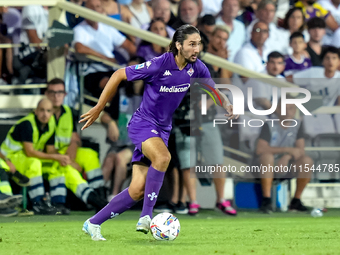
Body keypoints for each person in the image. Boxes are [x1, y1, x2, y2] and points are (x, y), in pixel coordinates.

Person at [80, 24, 238, 241]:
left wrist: (226, 103)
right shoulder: (159, 64)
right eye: (192, 44)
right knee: (163, 157)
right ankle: (146, 216)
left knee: (136, 190)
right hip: (142, 123)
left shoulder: (197, 68)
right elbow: (118, 74)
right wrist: (99, 108)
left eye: (198, 44)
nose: (196, 49)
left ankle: (93, 223)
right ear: (178, 45)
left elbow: (212, 89)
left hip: (162, 129)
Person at [44, 78, 108, 211]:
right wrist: (69, 161)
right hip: (49, 157)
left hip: (65, 153)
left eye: (60, 92)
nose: (56, 96)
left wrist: (71, 158)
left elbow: (75, 139)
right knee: (68, 169)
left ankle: (101, 195)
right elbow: (46, 149)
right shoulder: (43, 113)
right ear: (46, 94)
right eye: (53, 92)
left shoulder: (67, 112)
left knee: (90, 154)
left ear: (65, 94)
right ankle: (95, 201)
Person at [0, 99, 70, 215]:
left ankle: (59, 204)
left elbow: (50, 150)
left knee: (55, 166)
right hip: (9, 157)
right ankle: (38, 204)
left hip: (24, 157)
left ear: (52, 112)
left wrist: (61, 158)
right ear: (35, 111)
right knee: (35, 163)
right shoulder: (27, 124)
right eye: (42, 110)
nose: (45, 114)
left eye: (48, 111)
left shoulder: (51, 124)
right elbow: (30, 152)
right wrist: (57, 157)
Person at [254, 100, 313, 213]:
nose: (287, 112)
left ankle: (296, 201)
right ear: (277, 109)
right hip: (269, 163)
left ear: (295, 110)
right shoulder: (269, 124)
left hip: (288, 163)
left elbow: (300, 150)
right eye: (284, 108)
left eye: (291, 108)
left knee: (307, 161)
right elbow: (260, 149)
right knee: (267, 157)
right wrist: (287, 150)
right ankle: (266, 200)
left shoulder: (298, 124)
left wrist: (287, 156)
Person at [100, 57, 144, 201]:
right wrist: (111, 123)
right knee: (109, 160)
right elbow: (104, 116)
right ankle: (96, 194)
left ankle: (114, 197)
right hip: (120, 142)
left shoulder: (151, 94)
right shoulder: (122, 92)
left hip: (140, 144)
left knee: (119, 158)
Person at [73, 0, 136, 98]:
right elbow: (79, 48)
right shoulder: (79, 29)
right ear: (85, 9)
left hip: (112, 69)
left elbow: (129, 46)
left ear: (101, 9)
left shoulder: (107, 27)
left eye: (97, 6)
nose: (95, 10)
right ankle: (111, 113)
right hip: (92, 71)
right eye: (91, 7)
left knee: (136, 80)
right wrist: (104, 58)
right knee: (112, 84)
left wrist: (134, 60)